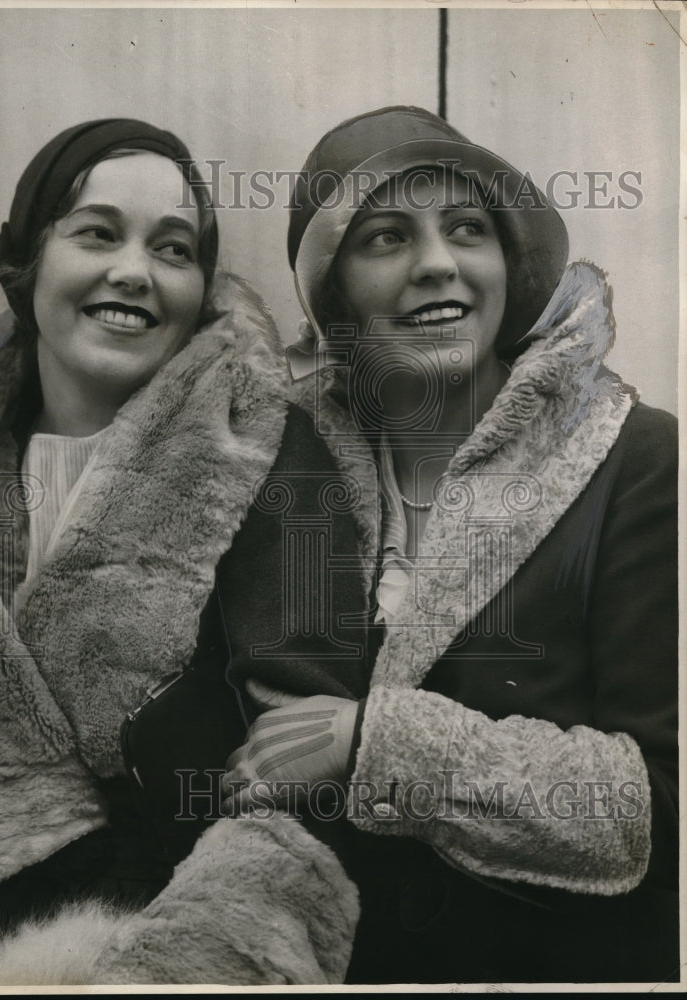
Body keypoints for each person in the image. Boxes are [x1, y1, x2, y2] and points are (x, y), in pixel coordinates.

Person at [221, 106, 679, 985]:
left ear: (508, 262)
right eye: (386, 237)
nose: (437, 263)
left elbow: (659, 811)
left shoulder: (635, 457)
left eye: (467, 228)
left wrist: (375, 743)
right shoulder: (280, 465)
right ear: (334, 295)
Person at [0, 118, 368, 986]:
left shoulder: (272, 452)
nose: (134, 271)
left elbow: (302, 776)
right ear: (27, 260)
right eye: (96, 232)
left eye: (174, 248)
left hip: (174, 940)